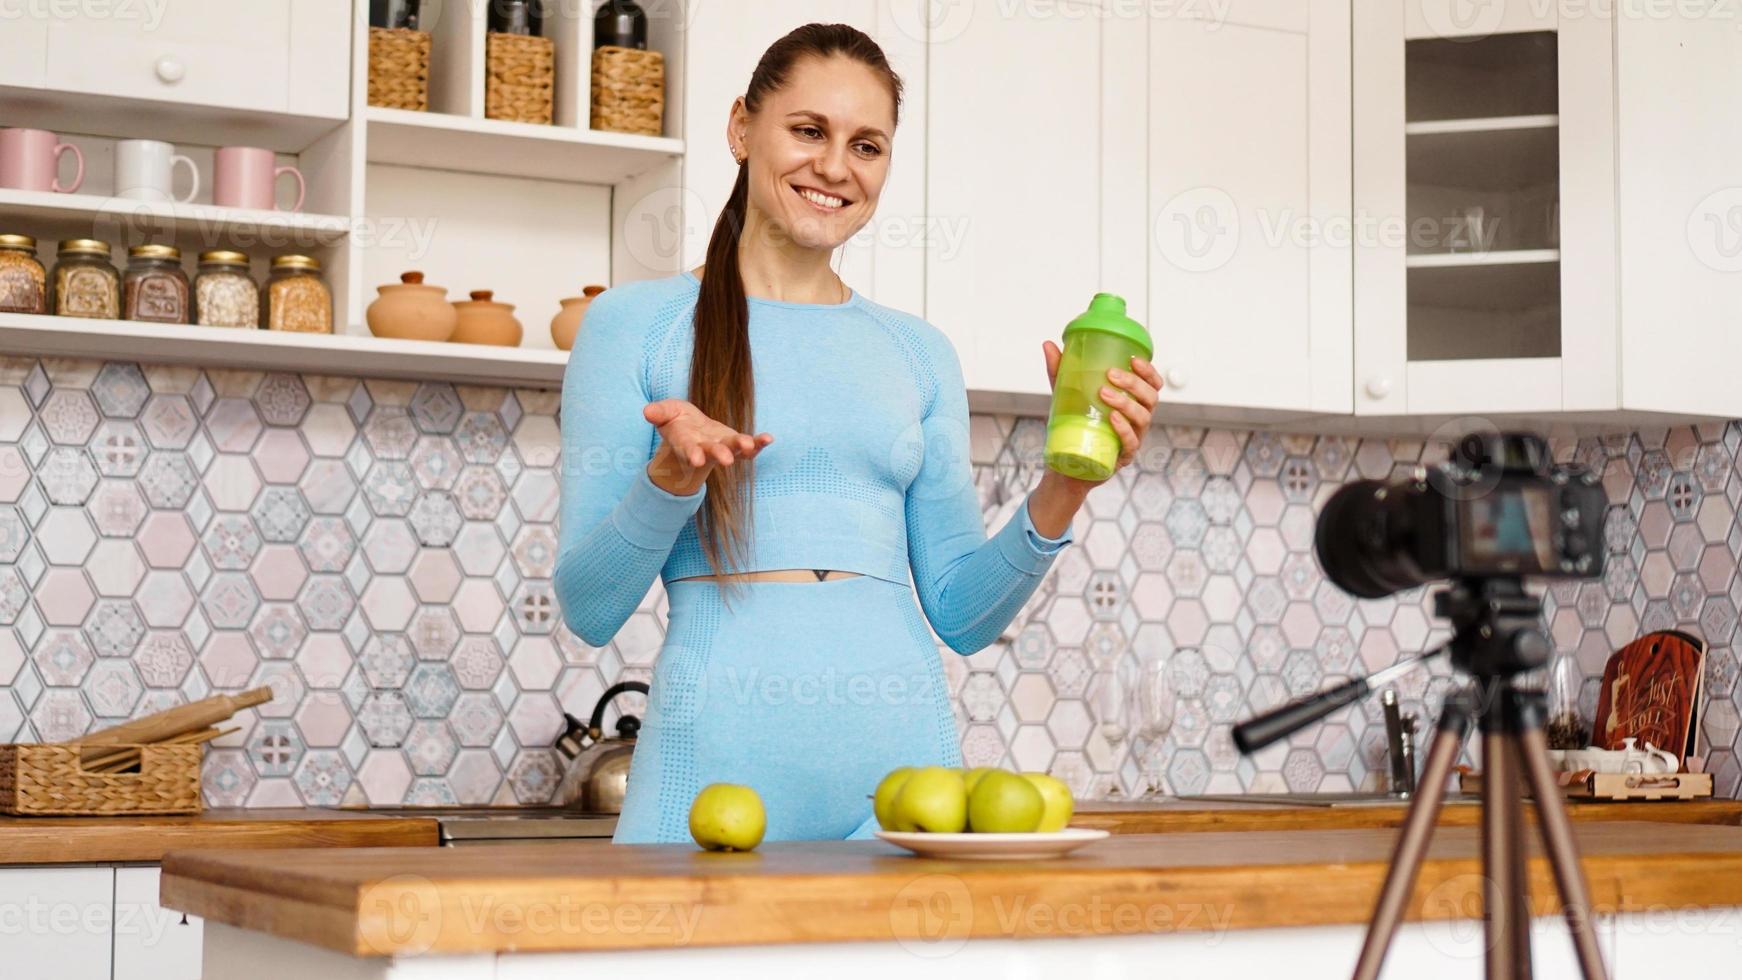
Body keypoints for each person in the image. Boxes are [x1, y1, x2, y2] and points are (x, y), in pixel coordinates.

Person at [554, 23, 1163, 843]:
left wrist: (1067, 487)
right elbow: (590, 607)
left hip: (904, 789)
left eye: (866, 145)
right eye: (809, 131)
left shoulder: (917, 353)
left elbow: (961, 614)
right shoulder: (636, 327)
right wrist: (669, 482)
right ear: (742, 127)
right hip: (708, 784)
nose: (835, 166)